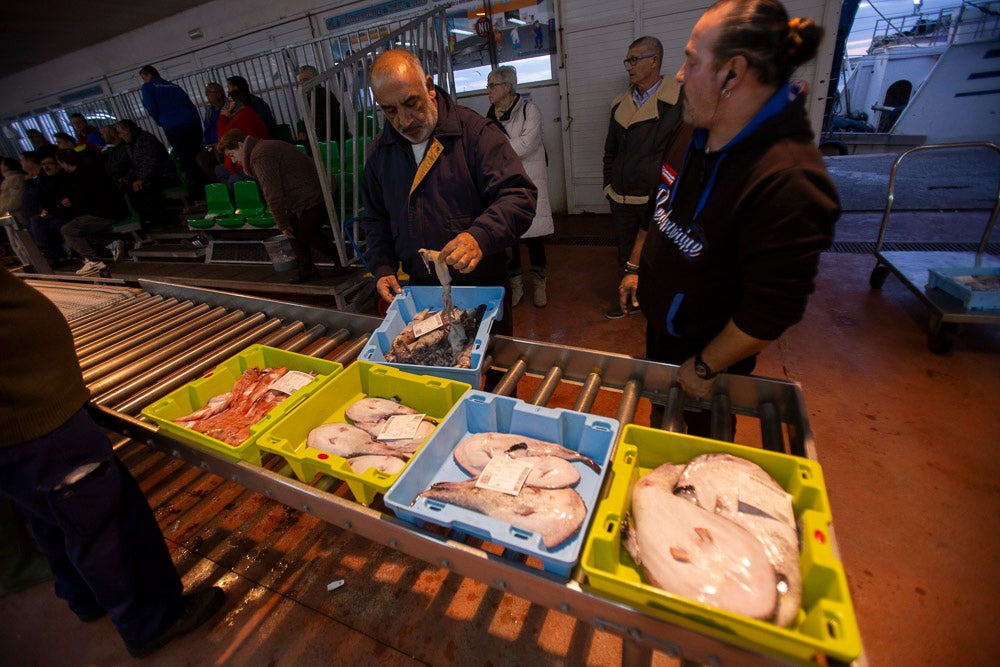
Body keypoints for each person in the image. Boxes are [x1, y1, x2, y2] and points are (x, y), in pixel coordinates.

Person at [618, 0, 840, 436]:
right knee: (659, 422)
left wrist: (704, 367)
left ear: (733, 75)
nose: (680, 74)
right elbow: (657, 206)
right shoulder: (692, 127)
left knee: (703, 443)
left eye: (691, 61)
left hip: (710, 356)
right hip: (661, 331)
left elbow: (769, 312)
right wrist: (633, 267)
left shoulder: (789, 181)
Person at [0, 268, 224, 658]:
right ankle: (152, 621)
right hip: (38, 420)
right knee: (105, 523)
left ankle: (83, 596)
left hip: (19, 431)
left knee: (51, 517)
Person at [360, 49, 536, 344]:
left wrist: (479, 236)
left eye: (410, 103)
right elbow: (376, 218)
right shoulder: (381, 154)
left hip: (482, 289)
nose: (403, 120)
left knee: (490, 375)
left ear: (429, 87)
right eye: (390, 110)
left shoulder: (475, 134)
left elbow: (519, 196)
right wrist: (382, 266)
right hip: (423, 294)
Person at [602, 36, 684, 319]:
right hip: (622, 195)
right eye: (628, 60)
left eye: (635, 60)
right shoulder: (619, 105)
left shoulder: (679, 101)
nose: (629, 66)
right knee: (626, 253)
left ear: (655, 61)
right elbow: (610, 150)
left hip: (657, 197)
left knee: (660, 254)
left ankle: (658, 304)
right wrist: (608, 185)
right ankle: (630, 302)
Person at [219, 129, 343, 283]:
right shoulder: (262, 148)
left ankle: (342, 259)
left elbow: (272, 192)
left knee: (305, 231)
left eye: (232, 154)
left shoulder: (260, 155)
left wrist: (282, 224)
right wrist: (285, 223)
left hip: (320, 194)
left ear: (240, 145)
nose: (233, 160)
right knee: (294, 228)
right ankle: (308, 270)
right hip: (311, 194)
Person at [486, 66, 553, 308]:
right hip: (504, 186)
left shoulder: (529, 110)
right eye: (487, 85)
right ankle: (516, 286)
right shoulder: (489, 116)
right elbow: (487, 150)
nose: (488, 91)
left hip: (530, 182)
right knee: (509, 239)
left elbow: (526, 145)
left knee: (534, 239)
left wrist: (500, 150)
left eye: (492, 85)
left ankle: (539, 285)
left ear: (507, 87)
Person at [55, 149, 129, 275]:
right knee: (79, 226)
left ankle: (92, 260)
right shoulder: (89, 170)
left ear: (65, 163)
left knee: (68, 229)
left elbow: (84, 201)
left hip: (104, 213)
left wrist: (70, 205)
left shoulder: (82, 175)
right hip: (112, 209)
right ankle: (111, 242)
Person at [138, 65, 205, 190]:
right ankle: (212, 185)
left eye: (143, 78)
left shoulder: (148, 87)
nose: (144, 81)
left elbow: (151, 107)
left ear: (148, 75)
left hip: (174, 126)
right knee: (199, 156)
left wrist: (160, 121)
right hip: (191, 124)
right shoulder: (174, 87)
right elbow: (191, 106)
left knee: (187, 160)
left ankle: (201, 192)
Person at [115, 119, 180, 226]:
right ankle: (144, 219)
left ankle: (159, 219)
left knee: (145, 187)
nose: (120, 136)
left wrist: (141, 179)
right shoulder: (130, 144)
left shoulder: (145, 139)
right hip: (150, 174)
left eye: (120, 132)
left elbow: (152, 162)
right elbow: (136, 165)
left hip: (162, 174)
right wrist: (127, 178)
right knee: (127, 186)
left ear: (128, 130)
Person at [215, 89, 269, 187]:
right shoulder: (244, 114)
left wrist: (223, 117)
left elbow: (224, 139)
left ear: (237, 103)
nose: (227, 106)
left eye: (230, 102)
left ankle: (239, 199)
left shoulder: (244, 116)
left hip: (248, 164)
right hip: (241, 162)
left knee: (233, 181)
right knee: (219, 170)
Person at [295, 65, 344, 143]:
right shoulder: (308, 98)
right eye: (300, 80)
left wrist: (313, 137)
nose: (302, 84)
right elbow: (307, 121)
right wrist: (303, 133)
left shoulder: (326, 96)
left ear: (316, 80)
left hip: (330, 140)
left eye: (305, 79)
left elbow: (329, 122)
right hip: (316, 138)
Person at [196, 82, 226, 181]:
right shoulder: (209, 111)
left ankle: (230, 182)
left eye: (210, 92)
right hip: (212, 146)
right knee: (202, 158)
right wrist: (208, 144)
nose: (207, 95)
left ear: (219, 93)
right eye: (206, 93)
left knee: (220, 155)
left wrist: (220, 143)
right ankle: (219, 184)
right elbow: (207, 129)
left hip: (225, 144)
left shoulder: (227, 108)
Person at [0, 158, 26, 226]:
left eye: (2, 164)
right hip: (8, 216)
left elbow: (16, 198)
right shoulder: (9, 179)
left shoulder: (16, 179)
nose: (0, 166)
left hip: (16, 216)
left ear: (7, 166)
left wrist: (4, 210)